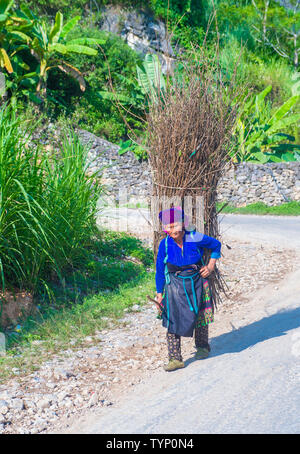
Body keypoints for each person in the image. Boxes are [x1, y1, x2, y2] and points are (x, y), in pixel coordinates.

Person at [155, 207, 221, 372]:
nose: (172, 230)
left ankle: (202, 347)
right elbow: (159, 270)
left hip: (197, 280)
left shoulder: (194, 237)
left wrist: (211, 266)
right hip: (175, 284)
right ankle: (175, 358)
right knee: (172, 318)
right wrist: (159, 294)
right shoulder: (164, 244)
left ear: (183, 224)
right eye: (168, 227)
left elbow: (215, 245)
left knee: (200, 314)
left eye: (175, 225)